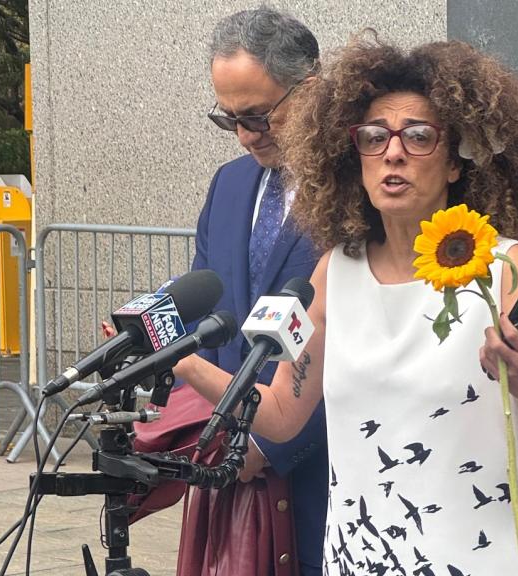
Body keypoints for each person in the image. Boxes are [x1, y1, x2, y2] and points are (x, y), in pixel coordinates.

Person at [174, 35, 518, 575]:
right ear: (355, 159)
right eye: (374, 137)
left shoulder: (501, 268)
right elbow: (278, 416)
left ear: (455, 162)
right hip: (357, 557)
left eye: (418, 136)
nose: (393, 152)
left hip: (476, 556)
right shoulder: (333, 273)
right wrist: (179, 359)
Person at [171, 7, 327, 576]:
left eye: (259, 116)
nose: (244, 136)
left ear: (309, 90)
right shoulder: (230, 185)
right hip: (229, 471)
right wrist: (218, 437)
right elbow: (210, 314)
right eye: (229, 119)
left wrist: (269, 449)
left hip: (329, 477)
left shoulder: (367, 192)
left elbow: (366, 347)